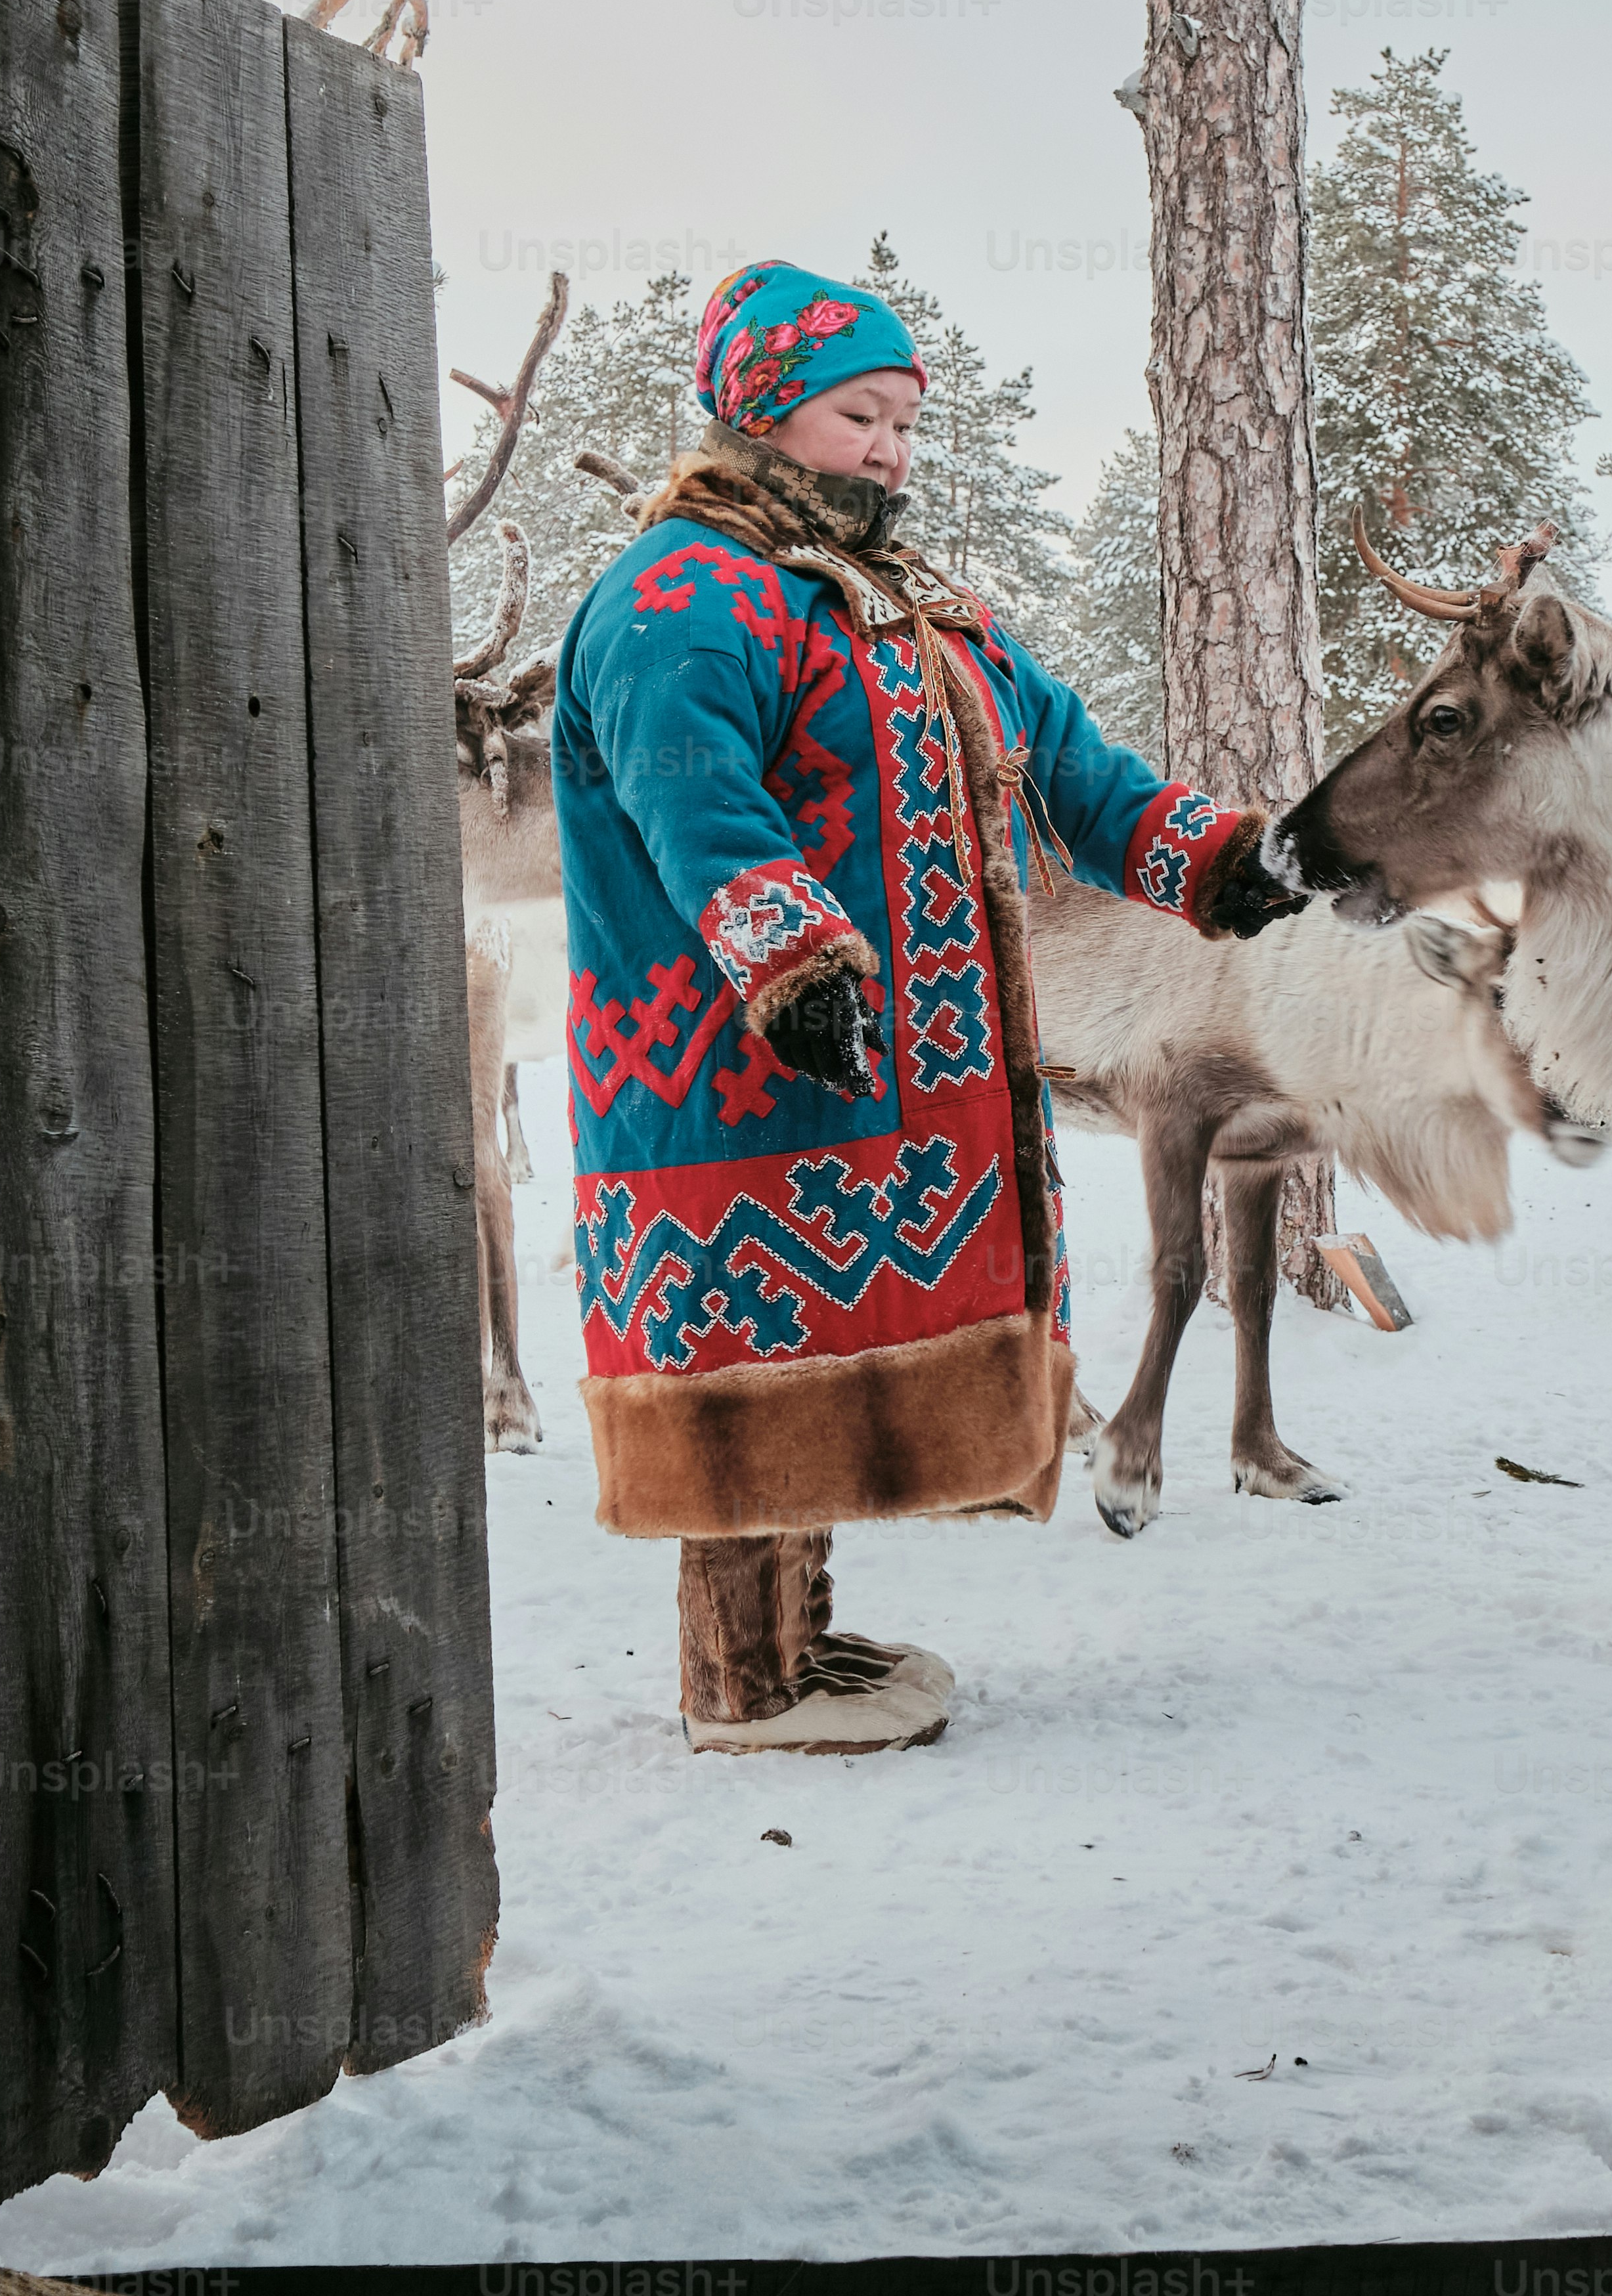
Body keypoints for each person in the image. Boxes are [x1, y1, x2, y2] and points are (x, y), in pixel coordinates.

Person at [549, 257, 1311, 1752]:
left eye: (906, 419)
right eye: (860, 415)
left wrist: (1219, 860)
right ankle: (740, 1680)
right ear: (765, 410)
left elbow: (1076, 777)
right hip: (734, 1071)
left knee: (825, 1368)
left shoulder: (913, 608)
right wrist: (792, 961)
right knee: (748, 1362)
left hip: (897, 1079)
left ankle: (807, 1640)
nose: (893, 448)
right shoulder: (675, 594)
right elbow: (694, 804)